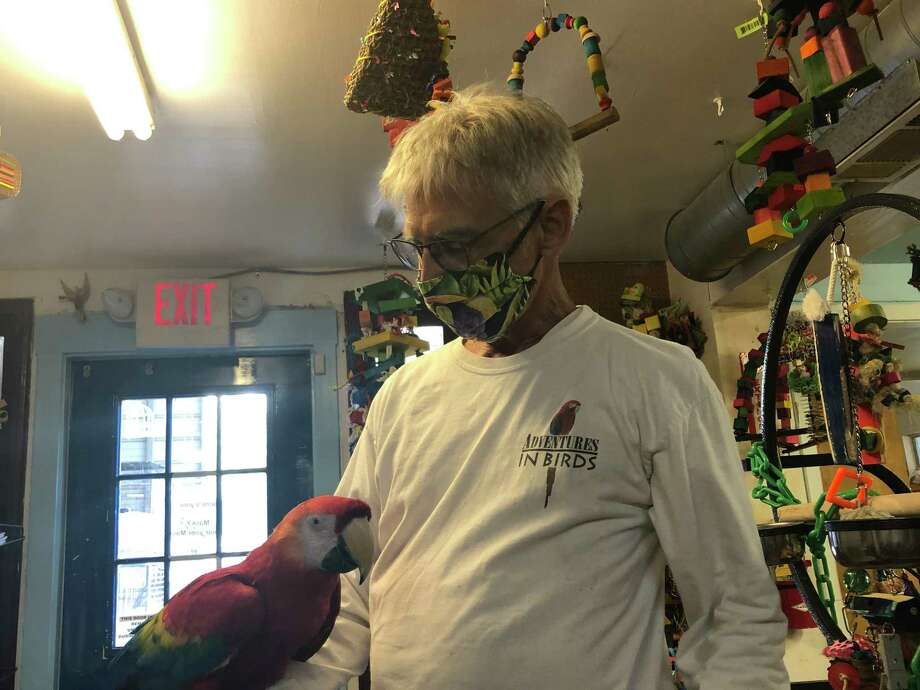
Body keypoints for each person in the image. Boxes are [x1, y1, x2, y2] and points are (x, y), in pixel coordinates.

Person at [276, 86, 788, 690]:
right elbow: (348, 590)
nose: (430, 275)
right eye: (420, 248)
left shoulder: (656, 381)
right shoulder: (403, 397)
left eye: (456, 244)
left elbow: (734, 615)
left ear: (550, 225)